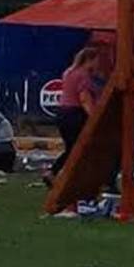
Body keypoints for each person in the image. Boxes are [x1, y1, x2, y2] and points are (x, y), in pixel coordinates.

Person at [46, 48, 99, 183]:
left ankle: (53, 172)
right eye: (96, 60)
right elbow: (84, 98)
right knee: (80, 147)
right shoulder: (83, 76)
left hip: (62, 113)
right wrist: (94, 116)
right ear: (89, 60)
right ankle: (74, 176)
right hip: (75, 114)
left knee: (71, 147)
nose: (98, 64)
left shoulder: (68, 73)